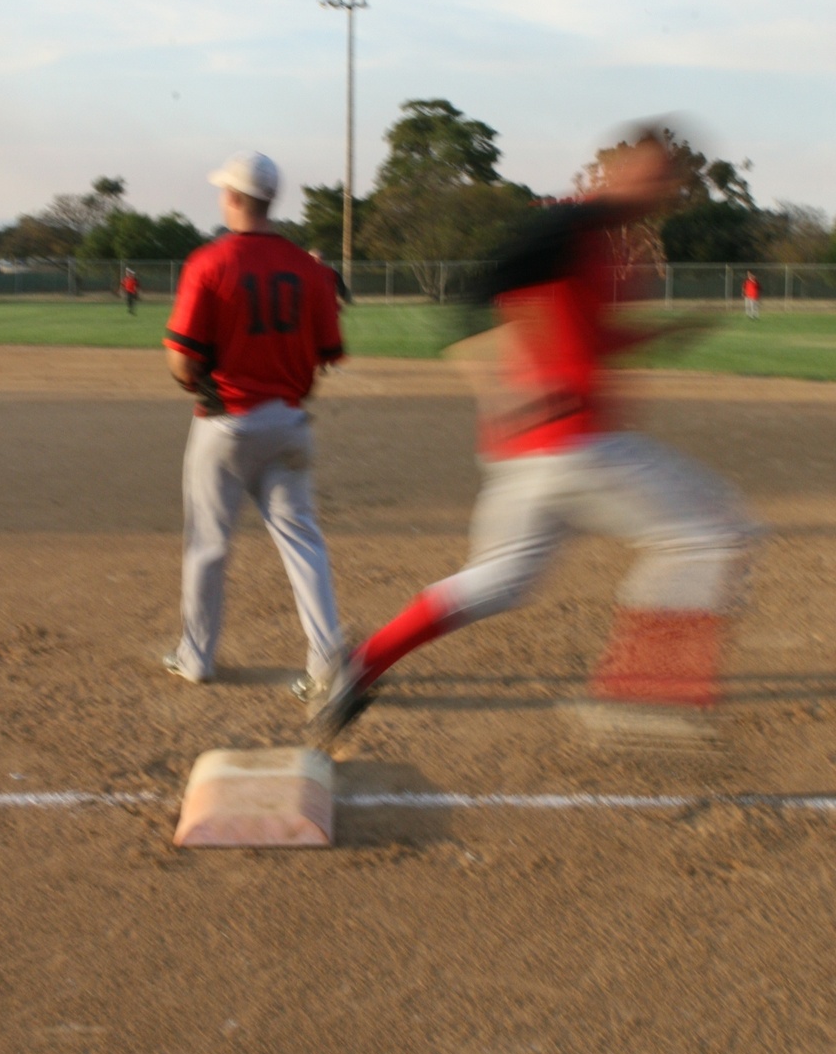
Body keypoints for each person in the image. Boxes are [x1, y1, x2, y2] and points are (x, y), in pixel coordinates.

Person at [311, 128, 757, 745]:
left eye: (672, 179)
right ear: (616, 173)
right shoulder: (573, 225)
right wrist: (494, 383)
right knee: (714, 532)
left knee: (500, 580)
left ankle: (361, 664)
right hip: (576, 448)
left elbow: (592, 337)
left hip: (531, 455)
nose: (666, 189)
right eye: (656, 174)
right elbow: (472, 297)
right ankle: (642, 696)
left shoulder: (603, 242)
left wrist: (660, 334)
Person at [163, 151, 346, 698]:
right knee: (303, 540)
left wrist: (194, 382)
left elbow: (181, 358)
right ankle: (329, 660)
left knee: (208, 544)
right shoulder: (311, 269)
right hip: (289, 422)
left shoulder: (209, 262)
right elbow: (325, 355)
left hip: (225, 425)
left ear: (236, 199)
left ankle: (197, 657)